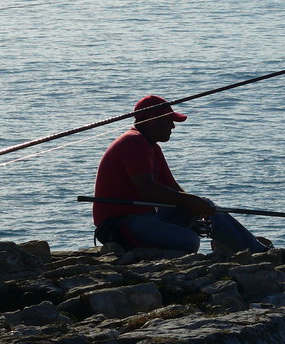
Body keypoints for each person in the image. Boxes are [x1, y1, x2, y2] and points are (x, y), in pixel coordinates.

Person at [93, 95, 269, 255]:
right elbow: (148, 190)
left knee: (206, 206)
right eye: (169, 121)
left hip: (144, 217)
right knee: (189, 241)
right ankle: (140, 253)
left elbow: (172, 188)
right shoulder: (134, 142)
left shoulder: (151, 147)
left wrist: (194, 206)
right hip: (120, 225)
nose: (173, 126)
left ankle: (258, 251)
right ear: (154, 121)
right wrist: (190, 201)